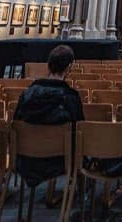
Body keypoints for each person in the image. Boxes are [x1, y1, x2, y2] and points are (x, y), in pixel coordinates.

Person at [13, 45, 84, 188]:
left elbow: (15, 127)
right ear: (69, 67)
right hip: (60, 161)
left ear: (48, 66)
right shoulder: (70, 98)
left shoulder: (27, 95)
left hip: (26, 160)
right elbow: (80, 133)